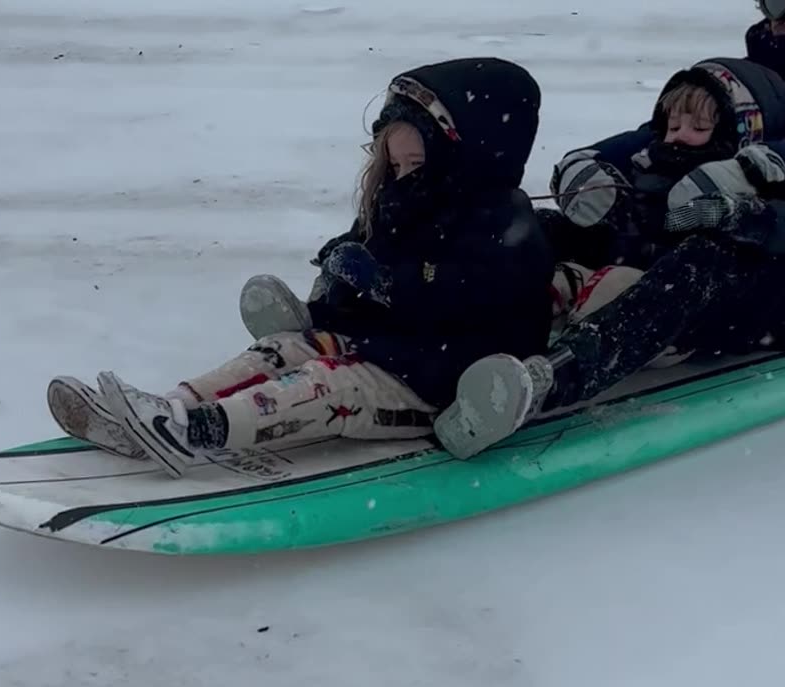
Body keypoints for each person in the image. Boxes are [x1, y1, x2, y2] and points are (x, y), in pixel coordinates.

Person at [433, 0, 785, 459]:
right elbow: (663, 138)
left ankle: (549, 381)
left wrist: (766, 168)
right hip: (717, 237)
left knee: (703, 264)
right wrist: (589, 166)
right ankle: (436, 311)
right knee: (550, 231)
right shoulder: (759, 70)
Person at [45, 57, 556, 477]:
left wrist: (383, 284)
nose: (400, 177)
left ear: (465, 159)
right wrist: (344, 264)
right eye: (395, 165)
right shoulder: (406, 201)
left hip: (440, 378)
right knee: (286, 348)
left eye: (415, 166)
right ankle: (166, 406)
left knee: (328, 384)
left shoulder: (504, 226)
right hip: (385, 345)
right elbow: (369, 249)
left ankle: (192, 431)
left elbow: (462, 296)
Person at [541, 56, 785, 364]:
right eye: (672, 125)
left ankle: (560, 369)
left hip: (678, 319)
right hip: (619, 290)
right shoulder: (645, 171)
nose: (677, 135)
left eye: (698, 126)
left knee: (618, 283)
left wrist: (730, 213)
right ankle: (507, 321)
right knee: (544, 235)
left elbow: (784, 228)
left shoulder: (755, 185)